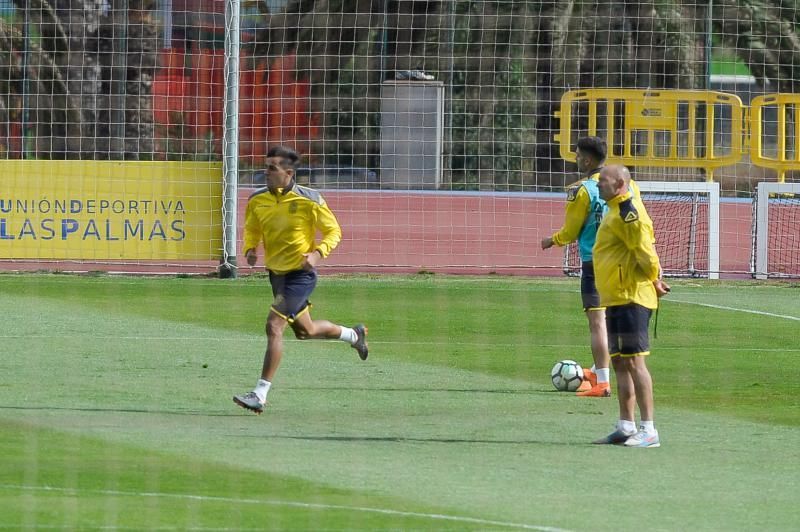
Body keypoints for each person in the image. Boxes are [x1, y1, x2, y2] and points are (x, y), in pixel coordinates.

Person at [233, 146, 368, 414]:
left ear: (288, 172)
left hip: (300, 275)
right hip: (276, 276)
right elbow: (252, 227)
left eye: (272, 168)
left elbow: (334, 231)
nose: (266, 171)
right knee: (305, 331)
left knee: (274, 326)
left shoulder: (310, 199)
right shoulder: (257, 199)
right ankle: (354, 335)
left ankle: (259, 394)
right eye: (266, 166)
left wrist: (318, 254)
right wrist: (250, 248)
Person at [591, 165, 670, 448]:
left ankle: (649, 429)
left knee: (636, 363)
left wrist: (655, 280)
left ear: (620, 184)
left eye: (604, 181)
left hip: (631, 297)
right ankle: (626, 425)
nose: (599, 184)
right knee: (620, 362)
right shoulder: (613, 209)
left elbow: (645, 252)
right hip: (615, 297)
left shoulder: (628, 214)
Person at [541, 136, 612, 398]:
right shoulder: (626, 185)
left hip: (595, 262)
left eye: (579, 155)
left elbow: (571, 231)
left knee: (597, 322)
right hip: (622, 262)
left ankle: (602, 381)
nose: (576, 159)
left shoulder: (581, 190)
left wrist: (552, 240)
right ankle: (596, 369)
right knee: (616, 319)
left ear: (589, 159)